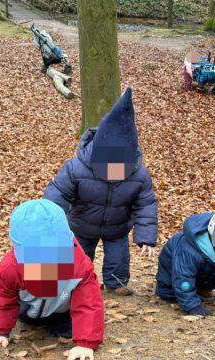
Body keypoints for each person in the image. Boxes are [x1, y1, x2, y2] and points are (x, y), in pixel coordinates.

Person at [44, 87, 158, 295]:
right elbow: (58, 194)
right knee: (78, 256)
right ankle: (75, 282)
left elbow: (145, 204)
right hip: (82, 224)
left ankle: (116, 282)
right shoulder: (76, 167)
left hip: (117, 227)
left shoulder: (139, 174)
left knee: (118, 257)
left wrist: (146, 236)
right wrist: (48, 221)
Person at [0, 199, 104, 360]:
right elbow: (0, 297)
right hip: (27, 310)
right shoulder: (10, 267)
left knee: (68, 328)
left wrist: (85, 343)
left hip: (62, 312)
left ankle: (64, 326)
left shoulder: (80, 266)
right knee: (25, 312)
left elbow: (88, 302)